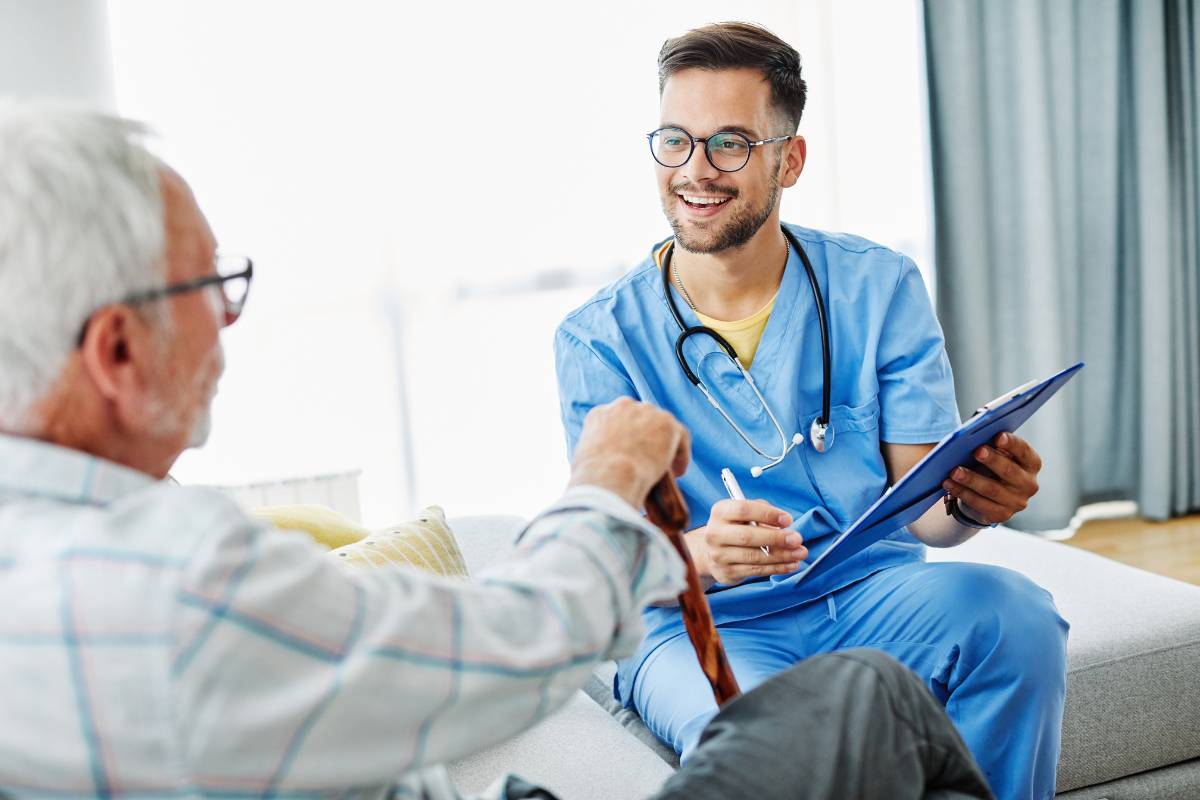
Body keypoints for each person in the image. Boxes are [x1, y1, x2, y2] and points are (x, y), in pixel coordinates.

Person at [0, 102, 993, 798]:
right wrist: (606, 477)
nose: (227, 320)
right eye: (206, 287)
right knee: (869, 700)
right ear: (117, 351)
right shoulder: (166, 580)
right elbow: (517, 647)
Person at [554, 22, 1068, 800]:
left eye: (730, 144)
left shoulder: (879, 287)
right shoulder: (599, 339)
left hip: (866, 591)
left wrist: (972, 501)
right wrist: (702, 554)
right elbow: (606, 563)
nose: (695, 171)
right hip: (702, 622)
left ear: (789, 160)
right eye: (675, 141)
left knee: (1017, 620)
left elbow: (927, 514)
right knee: (778, 739)